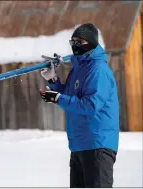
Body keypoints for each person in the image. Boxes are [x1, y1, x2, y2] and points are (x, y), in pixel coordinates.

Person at [39, 23, 119, 188]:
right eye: (72, 42)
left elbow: (90, 105)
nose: (75, 45)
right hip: (79, 145)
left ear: (91, 42)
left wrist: (57, 98)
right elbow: (71, 96)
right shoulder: (78, 69)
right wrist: (54, 81)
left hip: (98, 144)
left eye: (79, 42)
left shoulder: (98, 70)